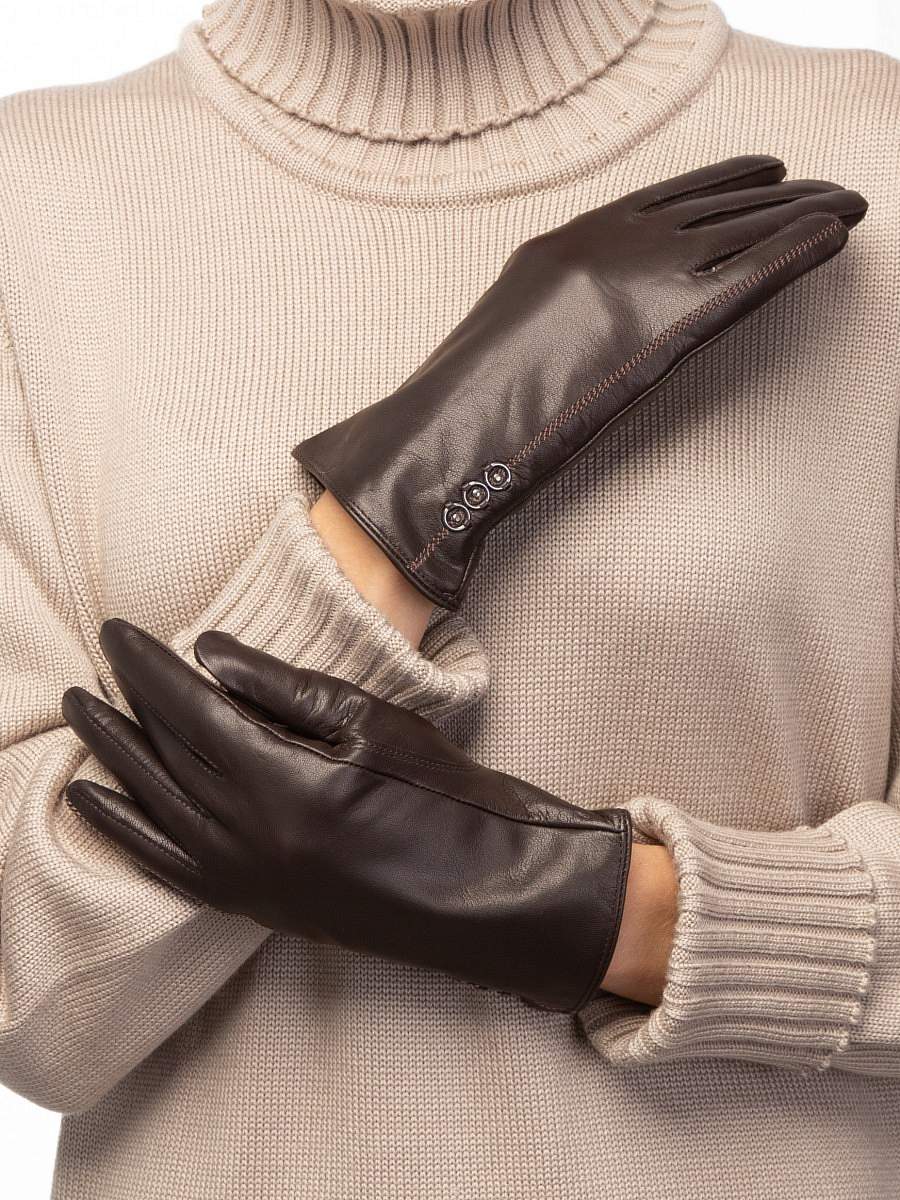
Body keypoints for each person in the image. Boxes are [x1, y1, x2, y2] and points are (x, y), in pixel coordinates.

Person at [0, 0, 897, 1196]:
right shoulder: (28, 201)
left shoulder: (877, 144)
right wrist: (413, 491)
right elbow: (29, 1004)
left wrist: (587, 906)